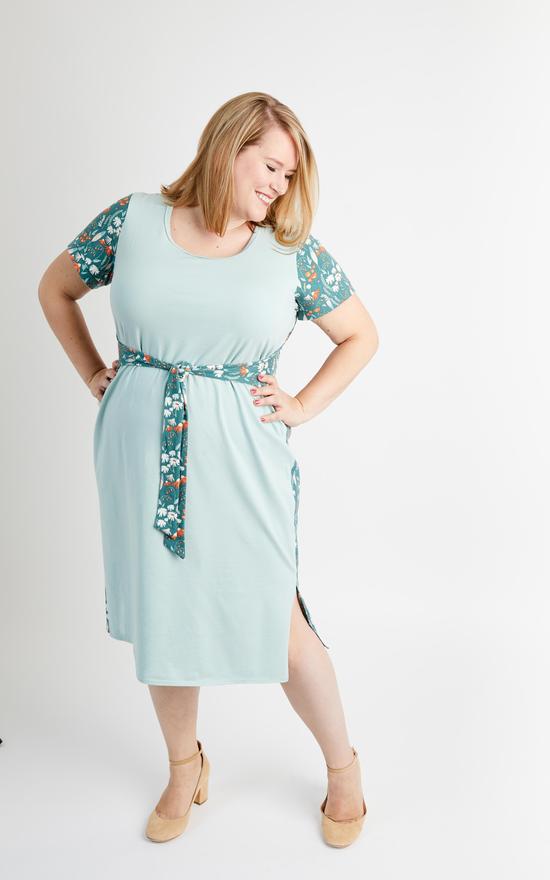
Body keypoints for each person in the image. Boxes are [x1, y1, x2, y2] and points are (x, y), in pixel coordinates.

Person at [38, 91, 379, 847]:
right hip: (138, 452)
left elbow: (360, 335)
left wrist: (302, 404)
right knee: (164, 613)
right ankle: (184, 766)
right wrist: (94, 372)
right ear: (228, 146)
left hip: (242, 458)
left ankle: (344, 769)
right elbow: (54, 288)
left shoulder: (289, 253)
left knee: (280, 623)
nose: (280, 186)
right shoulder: (132, 222)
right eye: (271, 166)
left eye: (290, 176)